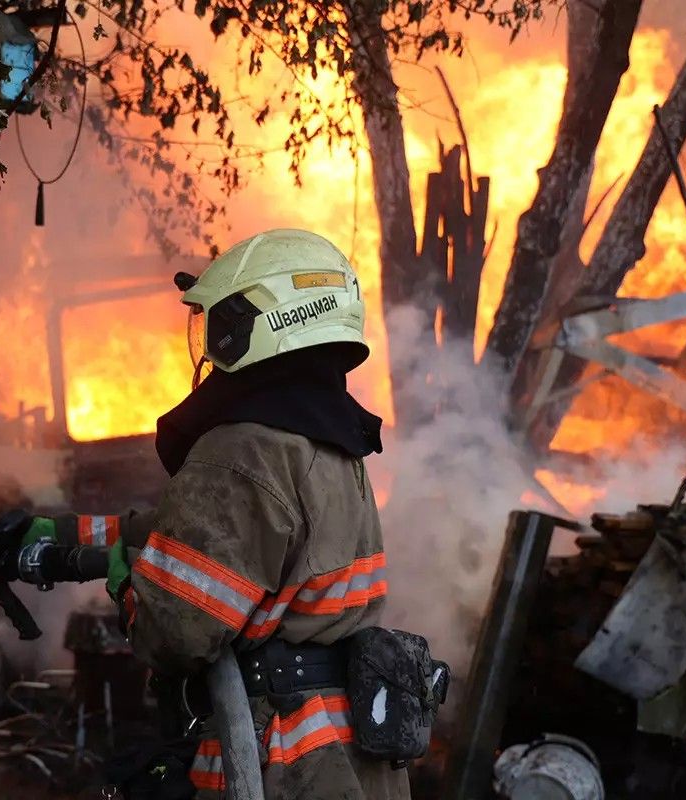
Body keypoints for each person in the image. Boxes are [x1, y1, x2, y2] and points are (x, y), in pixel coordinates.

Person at [21, 229, 414, 799]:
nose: (209, 341)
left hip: (277, 765)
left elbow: (177, 632)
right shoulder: (326, 444)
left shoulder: (242, 452)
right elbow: (205, 541)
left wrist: (132, 585)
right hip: (355, 761)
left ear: (266, 321)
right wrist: (71, 535)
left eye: (221, 320)